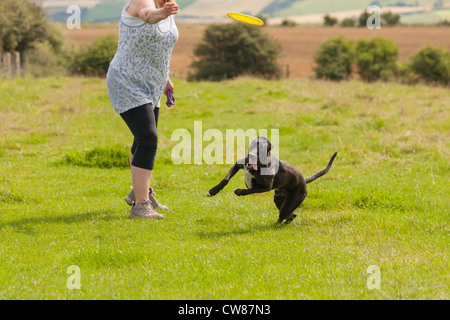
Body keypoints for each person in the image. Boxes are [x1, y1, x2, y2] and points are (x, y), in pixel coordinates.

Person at [106, 0, 179, 219]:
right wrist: (163, 12)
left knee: (141, 139)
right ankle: (141, 205)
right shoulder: (142, 2)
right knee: (148, 137)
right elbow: (147, 15)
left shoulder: (167, 6)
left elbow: (159, 45)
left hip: (152, 83)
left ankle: (141, 192)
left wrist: (165, 78)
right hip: (127, 80)